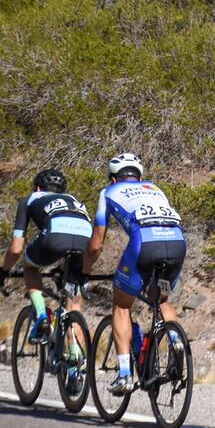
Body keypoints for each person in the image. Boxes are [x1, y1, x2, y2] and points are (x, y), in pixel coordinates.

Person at [83, 153, 187, 396]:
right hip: (177, 243)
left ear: (112, 179)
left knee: (121, 305)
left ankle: (125, 375)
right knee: (161, 299)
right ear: (140, 177)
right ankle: (175, 339)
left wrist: (84, 271)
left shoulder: (107, 193)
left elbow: (96, 244)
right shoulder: (155, 188)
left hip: (144, 244)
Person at [0, 169, 92, 363]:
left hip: (54, 237)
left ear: (37, 187)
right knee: (74, 305)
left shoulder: (30, 199)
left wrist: (3, 271)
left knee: (30, 266)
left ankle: (41, 316)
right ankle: (75, 359)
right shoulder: (73, 199)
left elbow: (16, 248)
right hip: (86, 241)